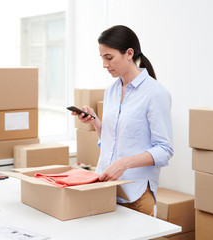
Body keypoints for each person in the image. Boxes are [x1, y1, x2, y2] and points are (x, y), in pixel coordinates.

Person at [71, 25, 173, 216]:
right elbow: (112, 139)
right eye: (102, 58)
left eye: (109, 58)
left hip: (135, 194)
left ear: (129, 53)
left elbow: (164, 150)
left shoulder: (156, 94)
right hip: (106, 188)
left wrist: (125, 163)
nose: (104, 64)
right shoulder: (111, 90)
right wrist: (95, 122)